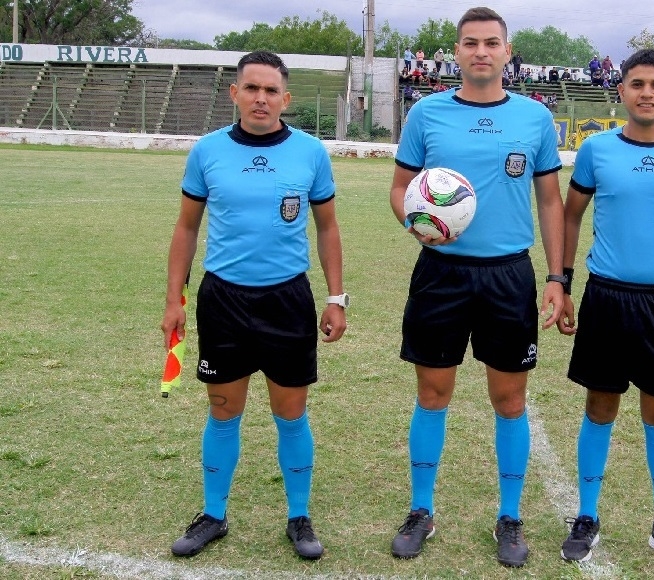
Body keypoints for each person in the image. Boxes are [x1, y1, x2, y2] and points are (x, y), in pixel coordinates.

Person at [387, 6, 565, 568]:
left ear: (507, 52)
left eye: (491, 42)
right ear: (457, 52)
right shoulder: (427, 113)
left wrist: (557, 277)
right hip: (441, 273)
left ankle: (509, 516)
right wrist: (419, 224)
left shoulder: (535, 118)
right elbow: (399, 190)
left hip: (508, 275)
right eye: (471, 43)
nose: (481, 51)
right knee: (432, 394)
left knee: (509, 400)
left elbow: (550, 201)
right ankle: (421, 510)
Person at [162, 50, 348, 561]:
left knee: (291, 414)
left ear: (285, 98)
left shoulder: (310, 153)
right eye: (251, 88)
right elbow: (186, 228)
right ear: (235, 93)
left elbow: (328, 228)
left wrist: (336, 297)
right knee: (223, 411)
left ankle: (299, 516)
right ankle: (213, 514)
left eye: (270, 91)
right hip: (223, 299)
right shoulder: (207, 151)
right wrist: (174, 299)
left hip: (287, 299)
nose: (261, 98)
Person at [556, 48, 654, 572]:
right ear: (621, 90)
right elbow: (570, 217)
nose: (647, 92)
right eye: (637, 83)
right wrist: (563, 281)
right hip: (606, 298)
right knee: (600, 406)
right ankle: (586, 516)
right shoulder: (596, 149)